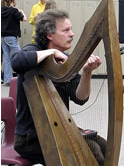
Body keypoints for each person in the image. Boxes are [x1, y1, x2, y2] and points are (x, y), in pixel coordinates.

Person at [11, 9, 106, 165]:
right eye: (66, 30)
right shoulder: (34, 51)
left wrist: (87, 73)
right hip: (30, 138)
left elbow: (80, 98)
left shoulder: (66, 62)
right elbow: (16, 61)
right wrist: (52, 52)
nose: (72, 34)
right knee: (93, 151)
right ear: (49, 34)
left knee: (102, 144)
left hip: (57, 130)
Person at [1, 0, 27, 86]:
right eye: (16, 0)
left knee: (7, 58)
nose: (17, 1)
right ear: (13, 0)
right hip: (11, 37)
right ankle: (22, 78)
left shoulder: (2, 10)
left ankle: (8, 80)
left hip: (3, 37)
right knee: (19, 56)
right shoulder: (14, 11)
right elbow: (24, 19)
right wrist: (22, 12)